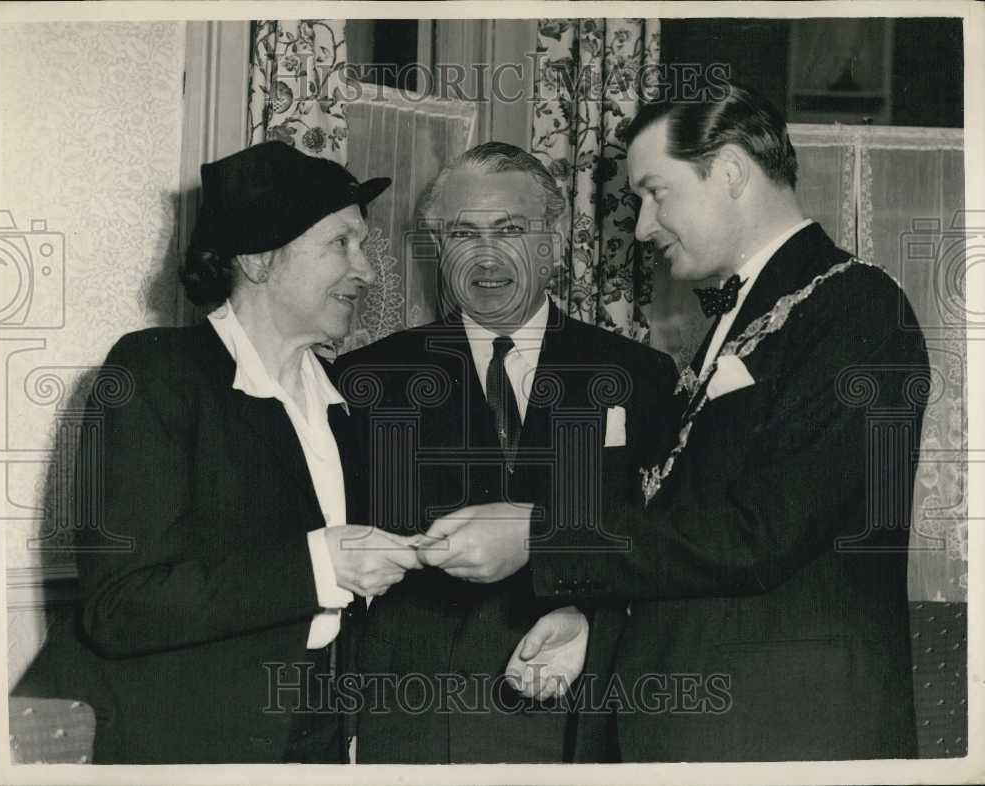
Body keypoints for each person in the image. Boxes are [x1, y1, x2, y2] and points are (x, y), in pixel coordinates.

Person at [417, 85, 930, 760]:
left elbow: (763, 530)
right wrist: (594, 633)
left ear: (731, 171)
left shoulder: (857, 308)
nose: (643, 227)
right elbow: (688, 525)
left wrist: (542, 536)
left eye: (657, 193)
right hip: (719, 727)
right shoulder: (745, 317)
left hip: (786, 734)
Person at [71, 141, 421, 763]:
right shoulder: (156, 373)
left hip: (327, 740)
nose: (367, 270)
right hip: (200, 751)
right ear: (259, 260)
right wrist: (320, 566)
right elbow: (118, 608)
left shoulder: (348, 402)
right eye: (341, 244)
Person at [336, 142, 678, 763]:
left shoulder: (641, 376)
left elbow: (666, 543)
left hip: (582, 718)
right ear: (438, 247)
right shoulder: (367, 378)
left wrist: (594, 624)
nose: (486, 255)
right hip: (415, 725)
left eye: (511, 230)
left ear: (553, 243)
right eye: (463, 233)